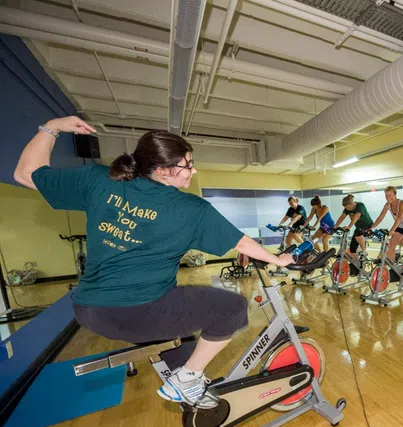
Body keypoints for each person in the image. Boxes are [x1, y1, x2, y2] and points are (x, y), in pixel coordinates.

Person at [13, 116, 293, 409]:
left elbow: (25, 173)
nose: (193, 170)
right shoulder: (189, 208)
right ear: (162, 171)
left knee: (180, 325)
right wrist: (277, 259)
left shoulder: (99, 180)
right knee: (232, 308)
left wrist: (52, 126)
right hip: (137, 312)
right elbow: (240, 242)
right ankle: (187, 379)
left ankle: (185, 380)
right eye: (187, 165)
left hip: (88, 309)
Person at [371, 186, 403, 267]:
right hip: (399, 227)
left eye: (390, 195)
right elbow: (381, 217)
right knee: (390, 247)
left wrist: (392, 230)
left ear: (395, 195)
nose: (387, 197)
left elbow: (399, 218)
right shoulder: (387, 205)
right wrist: (372, 227)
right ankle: (391, 268)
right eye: (386, 195)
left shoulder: (401, 203)